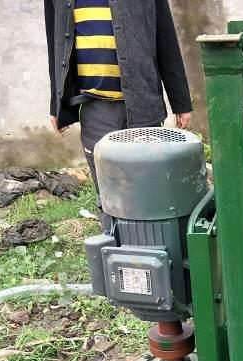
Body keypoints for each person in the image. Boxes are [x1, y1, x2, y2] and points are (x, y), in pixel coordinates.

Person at [43, 0, 192, 226]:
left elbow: (165, 37)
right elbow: (55, 43)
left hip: (142, 105)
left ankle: (153, 242)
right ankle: (113, 242)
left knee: (148, 186)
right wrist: (57, 104)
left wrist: (180, 101)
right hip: (95, 108)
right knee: (108, 193)